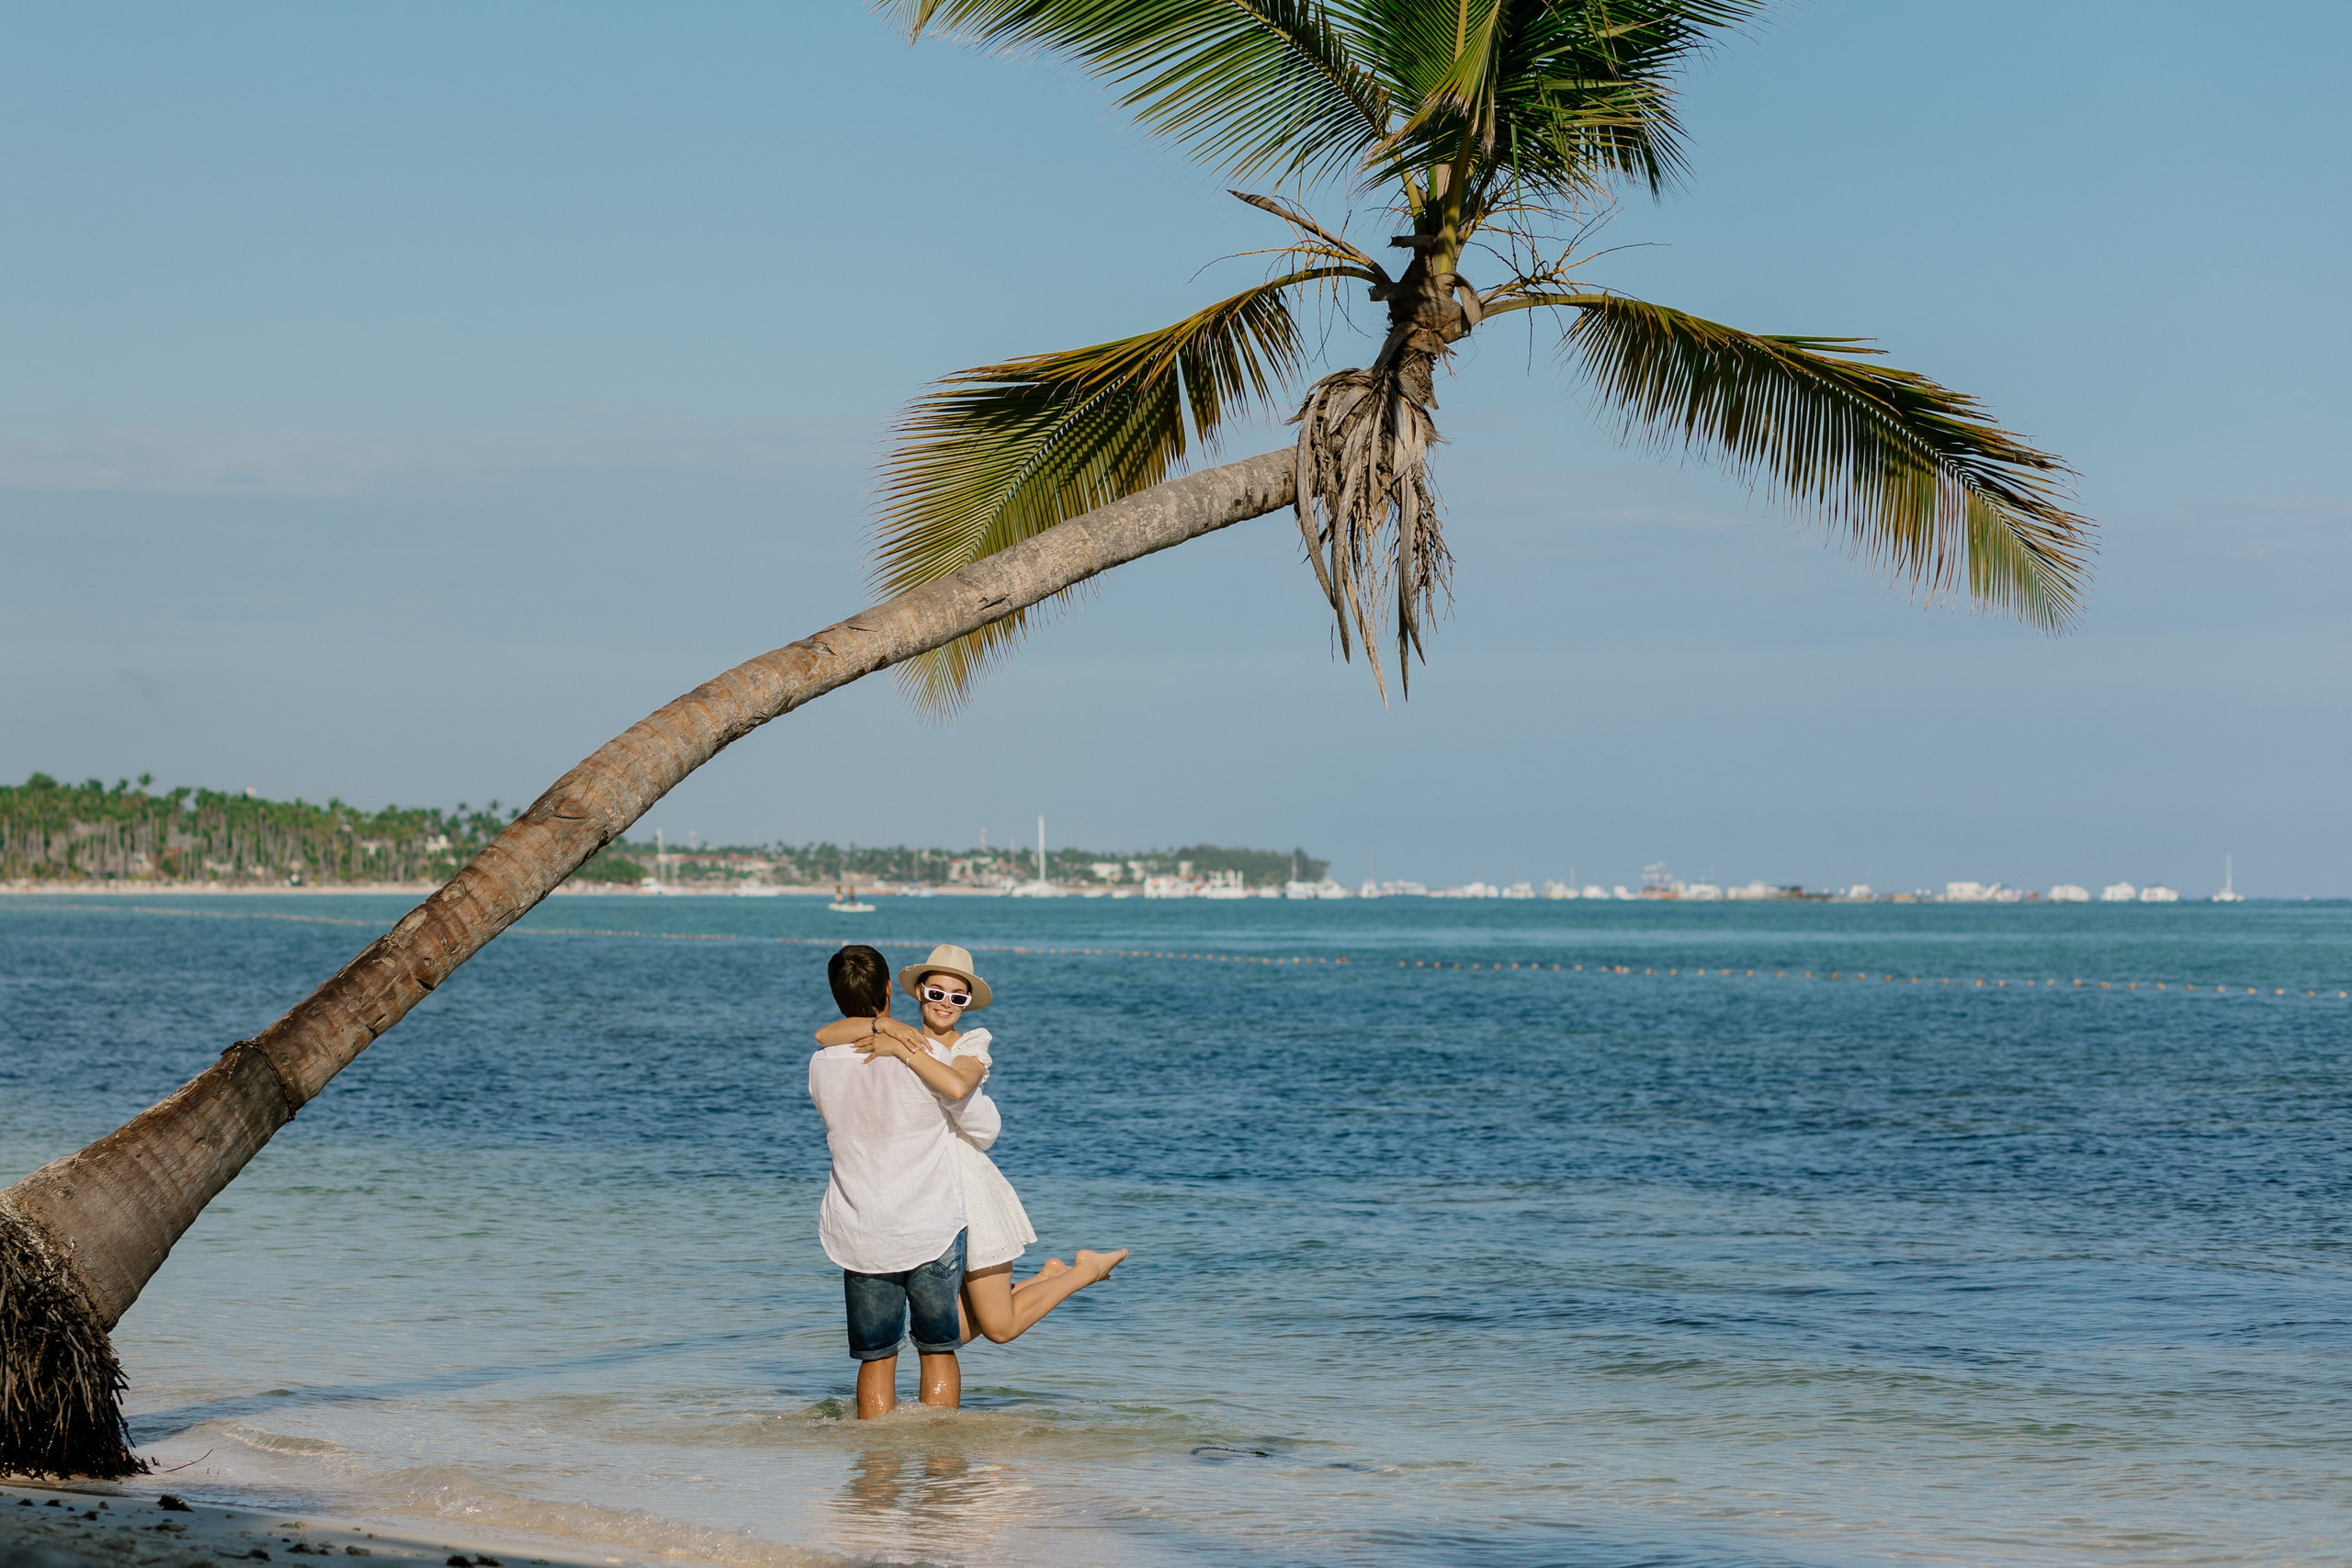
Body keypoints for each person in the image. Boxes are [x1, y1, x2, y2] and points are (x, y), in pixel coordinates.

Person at [815, 942, 1125, 1346]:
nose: (946, 1003)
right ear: (918, 992)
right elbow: (824, 1034)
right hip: (922, 1199)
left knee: (997, 1328)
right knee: (948, 1332)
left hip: (968, 1190)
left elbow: (959, 1086)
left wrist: (901, 1050)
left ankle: (1085, 1271)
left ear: (967, 1003)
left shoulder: (968, 1045)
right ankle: (1047, 1276)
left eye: (958, 997)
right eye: (936, 993)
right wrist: (884, 1029)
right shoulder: (902, 1034)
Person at [806, 943, 968, 1419]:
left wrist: (877, 1028)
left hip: (861, 1228)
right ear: (888, 991)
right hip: (930, 1223)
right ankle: (943, 1456)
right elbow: (978, 1122)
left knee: (875, 1356)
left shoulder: (820, 1064)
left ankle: (876, 1461)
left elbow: (826, 1037)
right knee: (937, 1349)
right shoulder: (927, 1053)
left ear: (837, 996)